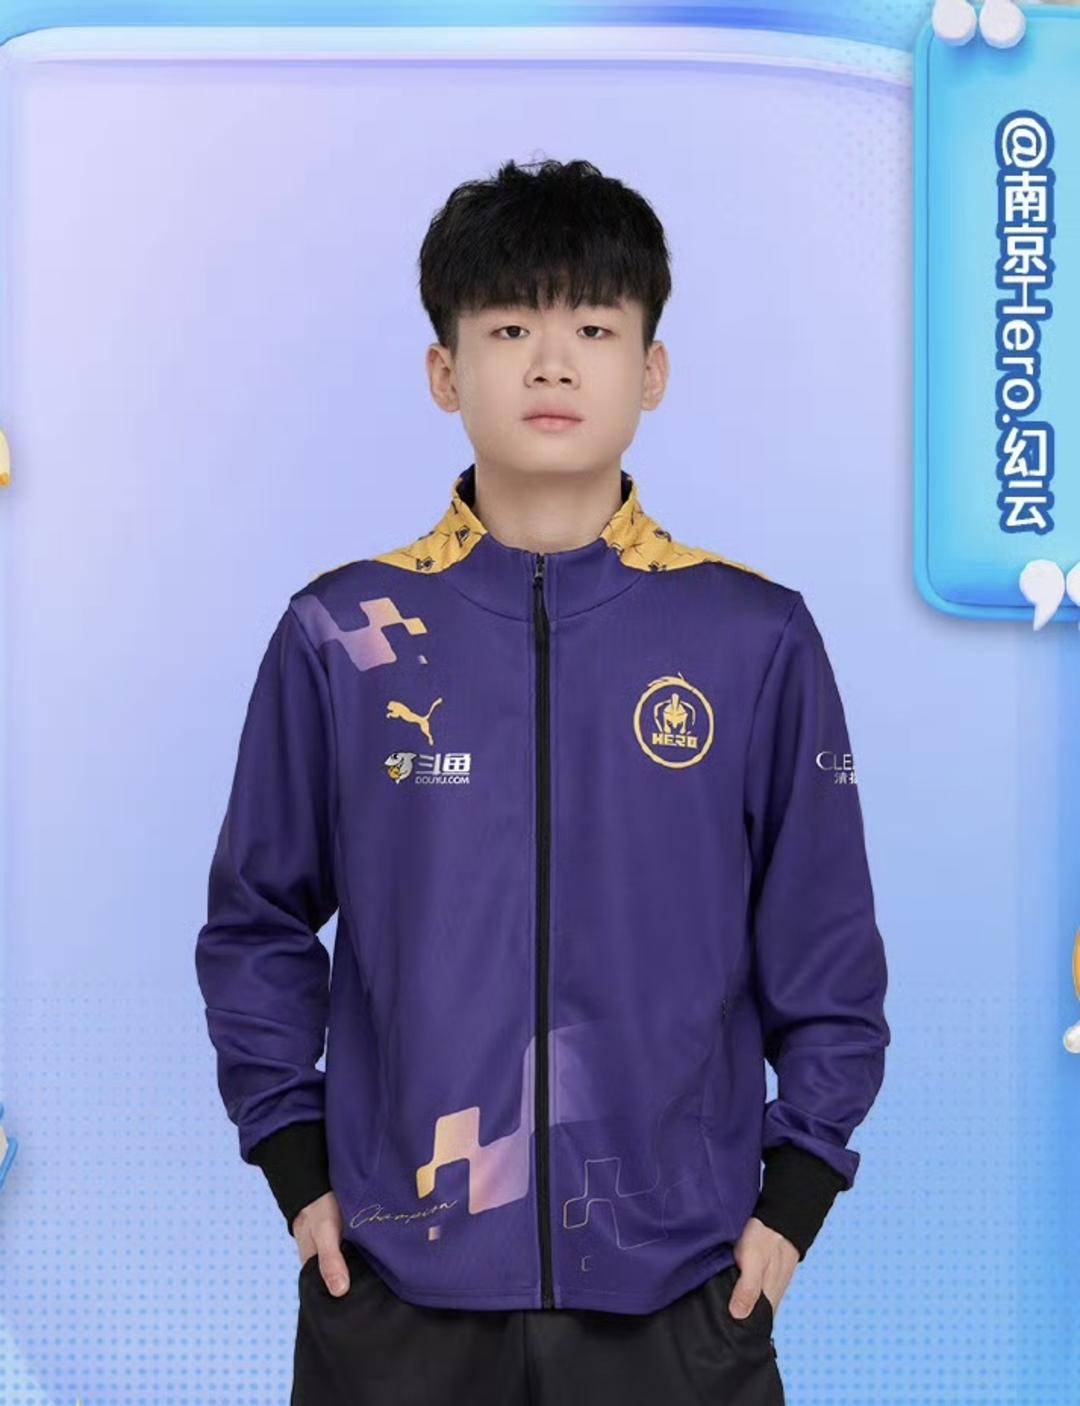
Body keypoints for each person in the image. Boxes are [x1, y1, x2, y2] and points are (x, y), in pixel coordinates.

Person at [195, 156, 891, 1405]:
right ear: (445, 370)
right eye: (511, 328)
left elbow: (828, 951)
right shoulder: (344, 634)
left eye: (594, 329)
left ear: (652, 370)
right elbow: (255, 921)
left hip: (682, 1292)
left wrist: (794, 1200)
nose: (554, 364)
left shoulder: (752, 638)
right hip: (396, 1289)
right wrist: (297, 1167)